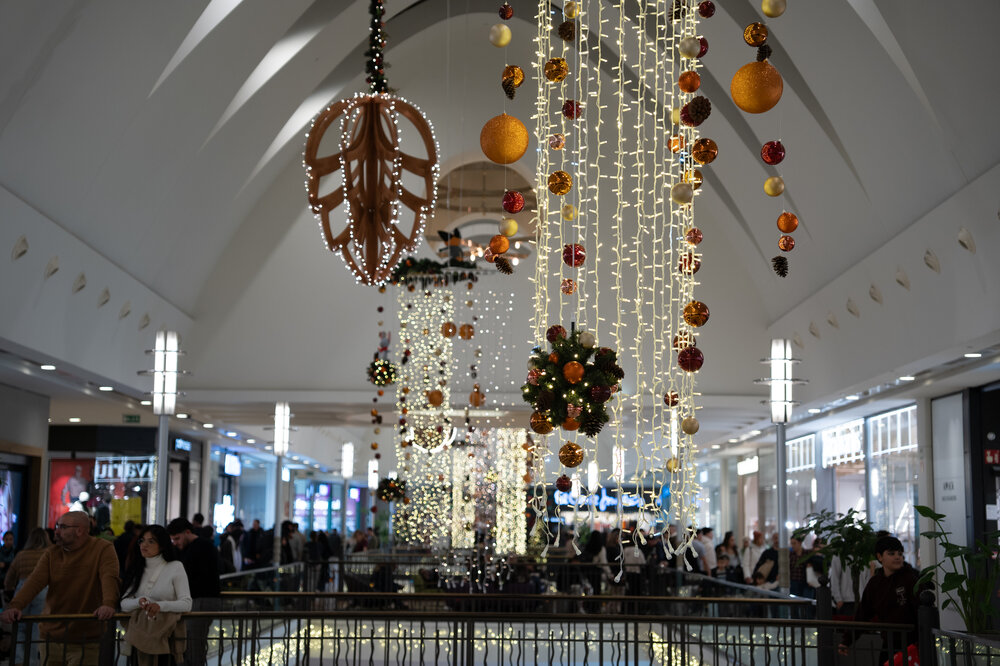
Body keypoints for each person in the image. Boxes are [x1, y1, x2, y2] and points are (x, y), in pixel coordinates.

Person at [0, 511, 119, 666]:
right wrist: (15, 606)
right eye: (57, 526)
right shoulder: (52, 553)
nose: (56, 531)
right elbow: (34, 581)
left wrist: (108, 604)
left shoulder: (102, 549)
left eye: (62, 527)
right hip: (50, 636)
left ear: (79, 530)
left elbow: (109, 578)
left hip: (86, 637)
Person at [839, 535, 927, 663]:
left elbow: (922, 612)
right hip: (889, 643)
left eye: (900, 553)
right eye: (891, 553)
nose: (897, 557)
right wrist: (847, 641)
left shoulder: (911, 579)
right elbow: (863, 614)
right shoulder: (875, 583)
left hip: (912, 643)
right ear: (879, 557)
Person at [120, 525, 191, 665]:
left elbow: (186, 603)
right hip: (139, 638)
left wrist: (159, 606)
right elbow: (124, 603)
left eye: (151, 541)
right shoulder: (137, 568)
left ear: (162, 545)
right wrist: (139, 601)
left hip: (166, 638)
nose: (144, 545)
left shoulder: (175, 567)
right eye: (142, 540)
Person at [167, 517, 221, 666]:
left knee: (194, 645)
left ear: (187, 532)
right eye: (173, 539)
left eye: (177, 538)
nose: (175, 543)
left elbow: (196, 577)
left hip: (201, 601)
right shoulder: (191, 548)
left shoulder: (203, 547)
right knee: (190, 644)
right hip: (197, 600)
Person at [3, 528, 52, 666]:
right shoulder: (48, 554)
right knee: (36, 627)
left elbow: (9, 578)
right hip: (42, 590)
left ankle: (19, 660)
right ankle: (32, 661)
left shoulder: (21, 555)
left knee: (19, 626)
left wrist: (9, 591)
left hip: (22, 589)